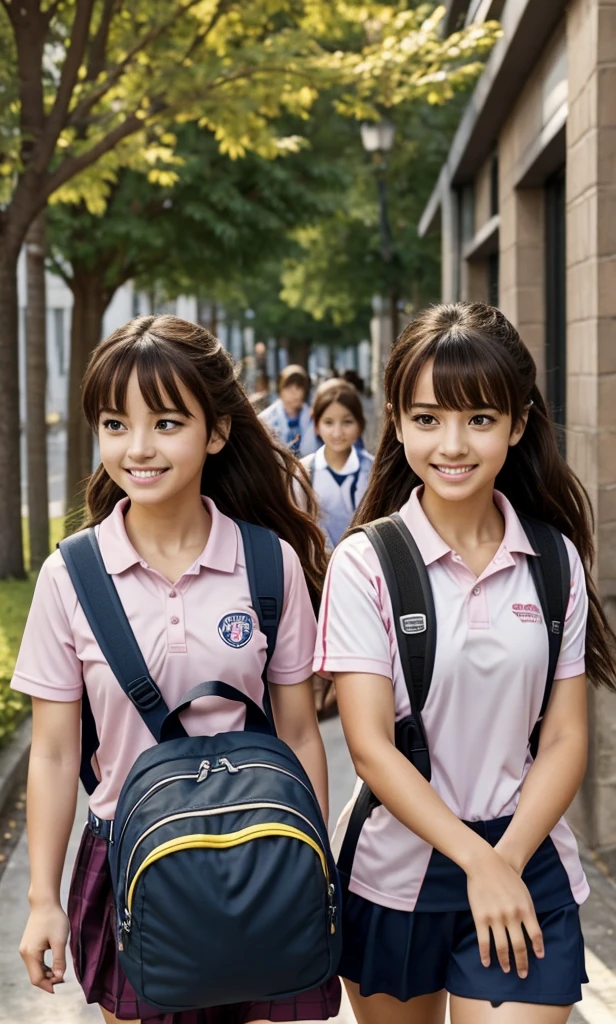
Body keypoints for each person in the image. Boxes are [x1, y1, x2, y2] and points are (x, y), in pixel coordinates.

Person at [14, 315, 340, 1024]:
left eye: (166, 422)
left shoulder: (268, 562)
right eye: (114, 423)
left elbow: (301, 733)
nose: (137, 448)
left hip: (265, 859)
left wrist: (312, 868)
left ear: (216, 432)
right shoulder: (70, 576)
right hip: (131, 863)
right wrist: (43, 897)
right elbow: (53, 750)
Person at [315, 302, 616, 1024]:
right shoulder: (365, 564)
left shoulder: (555, 560)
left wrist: (502, 861)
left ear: (517, 424)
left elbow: (566, 738)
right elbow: (370, 750)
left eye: (479, 419)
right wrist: (475, 862)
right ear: (396, 420)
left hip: (525, 852)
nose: (452, 444)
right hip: (394, 871)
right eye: (427, 419)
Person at [300, 379, 374, 552]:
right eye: (328, 422)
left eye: (347, 422)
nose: (337, 432)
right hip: (317, 572)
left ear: (359, 424)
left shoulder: (376, 471)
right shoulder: (303, 472)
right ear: (316, 425)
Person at [259, 364, 318, 457]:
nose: (294, 393)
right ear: (280, 389)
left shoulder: (313, 417)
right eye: (289, 387)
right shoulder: (266, 419)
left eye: (298, 387)